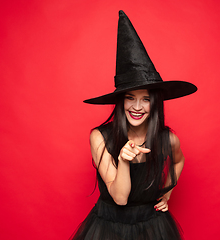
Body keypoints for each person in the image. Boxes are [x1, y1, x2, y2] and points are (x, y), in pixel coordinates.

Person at [70, 10, 197, 240]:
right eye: (130, 97)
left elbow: (179, 160)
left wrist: (167, 193)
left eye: (146, 99)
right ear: (121, 101)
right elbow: (120, 198)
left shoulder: (167, 139)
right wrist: (124, 160)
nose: (137, 107)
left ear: (155, 104)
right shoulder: (99, 137)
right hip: (109, 227)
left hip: (152, 226)